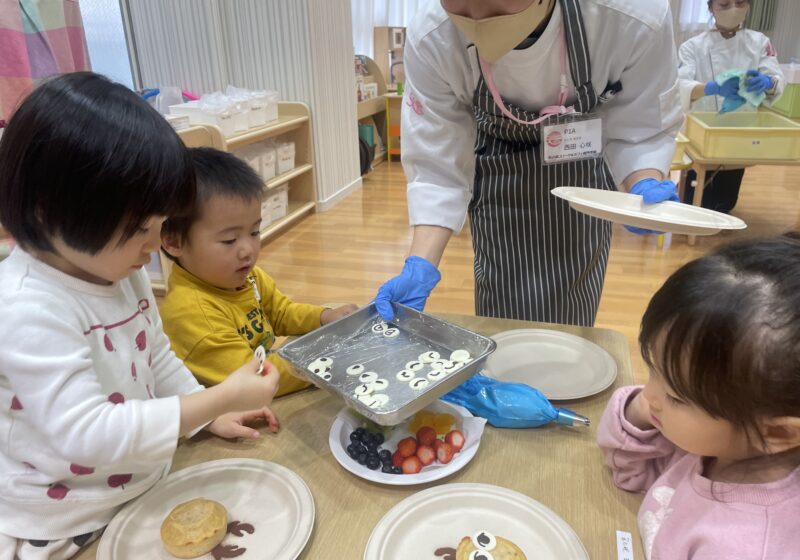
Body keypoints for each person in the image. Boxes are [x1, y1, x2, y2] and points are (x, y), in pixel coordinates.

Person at [0, 73, 280, 559]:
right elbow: (87, 433)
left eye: (159, 225)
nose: (155, 247)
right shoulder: (25, 306)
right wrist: (219, 398)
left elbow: (157, 358)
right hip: (65, 518)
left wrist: (205, 412)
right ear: (49, 212)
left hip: (141, 481)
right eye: (138, 229)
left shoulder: (121, 271)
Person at [374, 0, 683, 326]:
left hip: (581, 172)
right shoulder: (432, 36)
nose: (477, 18)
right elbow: (438, 163)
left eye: (496, 7)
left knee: (572, 310)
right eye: (461, 7)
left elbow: (640, 123)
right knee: (501, 316)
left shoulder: (631, 16)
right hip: (499, 173)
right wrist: (421, 264)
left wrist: (642, 179)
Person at [598, 234, 800, 559]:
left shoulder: (744, 546)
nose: (649, 394)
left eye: (676, 396)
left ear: (777, 432)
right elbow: (631, 472)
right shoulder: (715, 445)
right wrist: (639, 415)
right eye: (652, 370)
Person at [160, 148, 357, 397]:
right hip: (237, 405)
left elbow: (282, 312)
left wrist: (324, 316)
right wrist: (328, 361)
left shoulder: (246, 276)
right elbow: (255, 377)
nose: (248, 250)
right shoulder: (190, 313)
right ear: (174, 242)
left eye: (254, 232)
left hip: (267, 374)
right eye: (230, 240)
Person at [678, 0, 785, 213]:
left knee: (724, 204)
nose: (733, 10)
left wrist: (767, 82)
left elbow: (776, 78)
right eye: (724, 4)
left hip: (740, 128)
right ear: (710, 8)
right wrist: (710, 88)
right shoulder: (692, 46)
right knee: (692, 201)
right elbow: (679, 85)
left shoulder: (760, 42)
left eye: (739, 3)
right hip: (702, 130)